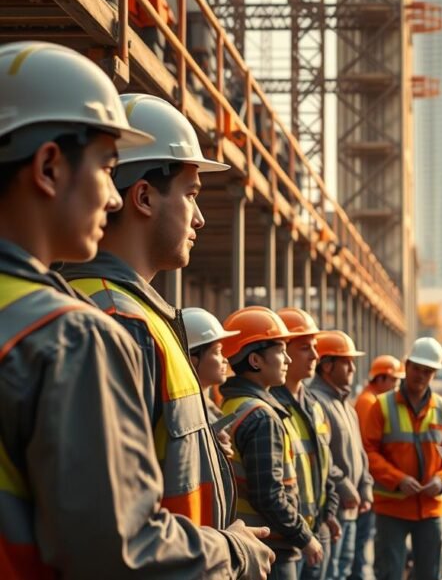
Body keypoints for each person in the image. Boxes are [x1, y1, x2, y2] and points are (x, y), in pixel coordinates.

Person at [0, 40, 271, 578]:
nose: (114, 195)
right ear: (50, 166)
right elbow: (116, 548)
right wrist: (232, 552)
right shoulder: (74, 334)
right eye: (106, 166)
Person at [60, 92, 240, 530]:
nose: (199, 219)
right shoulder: (120, 323)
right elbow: (113, 529)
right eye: (191, 195)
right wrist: (230, 553)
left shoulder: (136, 315)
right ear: (143, 196)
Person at [220, 306, 321, 580]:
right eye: (280, 349)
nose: (287, 358)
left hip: (245, 542)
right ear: (255, 360)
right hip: (271, 548)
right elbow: (269, 495)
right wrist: (305, 537)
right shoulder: (261, 416)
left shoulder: (230, 405)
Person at [362, 337, 442, 580]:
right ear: (407, 365)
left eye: (428, 371)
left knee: (430, 574)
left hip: (431, 509)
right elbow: (368, 452)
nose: (421, 375)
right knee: (389, 573)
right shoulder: (381, 406)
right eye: (417, 368)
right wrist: (398, 479)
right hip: (392, 508)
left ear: (434, 373)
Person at [273, 307, 342, 580]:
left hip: (317, 528)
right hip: (287, 537)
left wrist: (330, 512)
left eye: (314, 347)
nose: (315, 354)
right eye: (305, 347)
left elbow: (326, 464)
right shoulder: (270, 407)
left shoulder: (314, 405)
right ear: (283, 349)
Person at [308, 331, 374, 580]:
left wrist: (365, 486)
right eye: (346, 361)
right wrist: (345, 487)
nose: (352, 368)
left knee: (345, 570)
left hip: (352, 509)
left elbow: (359, 453)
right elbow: (321, 454)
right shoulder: (317, 402)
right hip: (334, 509)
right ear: (326, 366)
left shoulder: (346, 405)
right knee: (333, 572)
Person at [350, 354, 404, 580]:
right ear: (381, 379)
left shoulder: (368, 399)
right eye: (394, 381)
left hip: (366, 483)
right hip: (365, 485)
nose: (397, 387)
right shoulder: (369, 403)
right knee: (359, 544)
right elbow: (367, 447)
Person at [184, 306, 241, 419]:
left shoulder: (202, 409)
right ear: (192, 360)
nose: (225, 360)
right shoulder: (187, 415)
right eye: (217, 352)